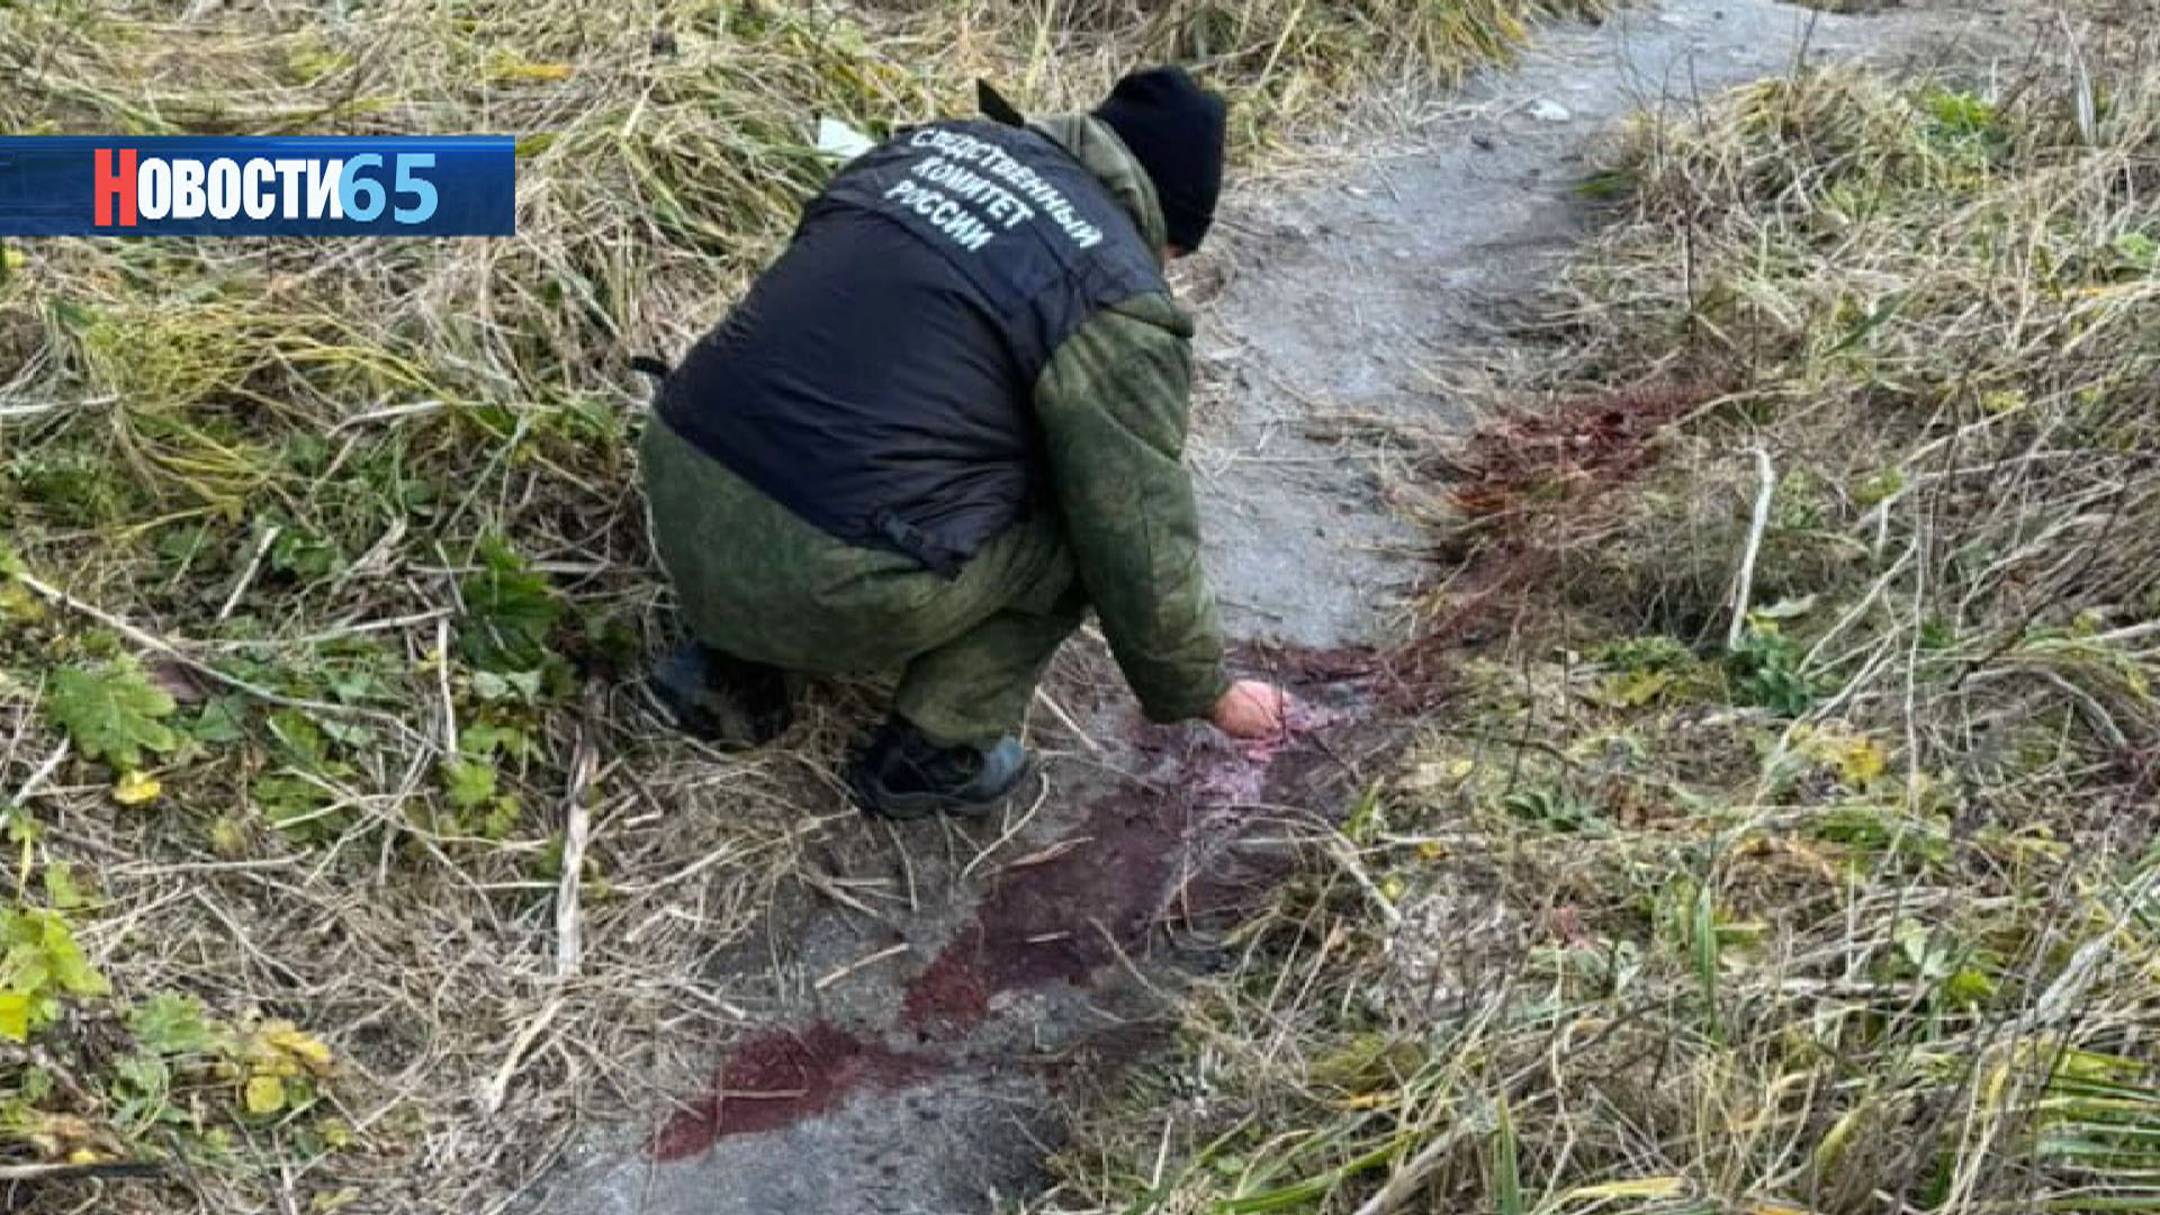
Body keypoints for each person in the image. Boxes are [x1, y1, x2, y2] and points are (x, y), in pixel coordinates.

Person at [640, 65, 1289, 819]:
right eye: (1173, 259)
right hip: (818, 576)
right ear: (1164, 226)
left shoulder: (927, 149)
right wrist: (1204, 688)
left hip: (678, 479)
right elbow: (1135, 527)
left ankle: (729, 665)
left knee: (841, 429)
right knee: (1082, 523)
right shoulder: (1113, 290)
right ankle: (937, 750)